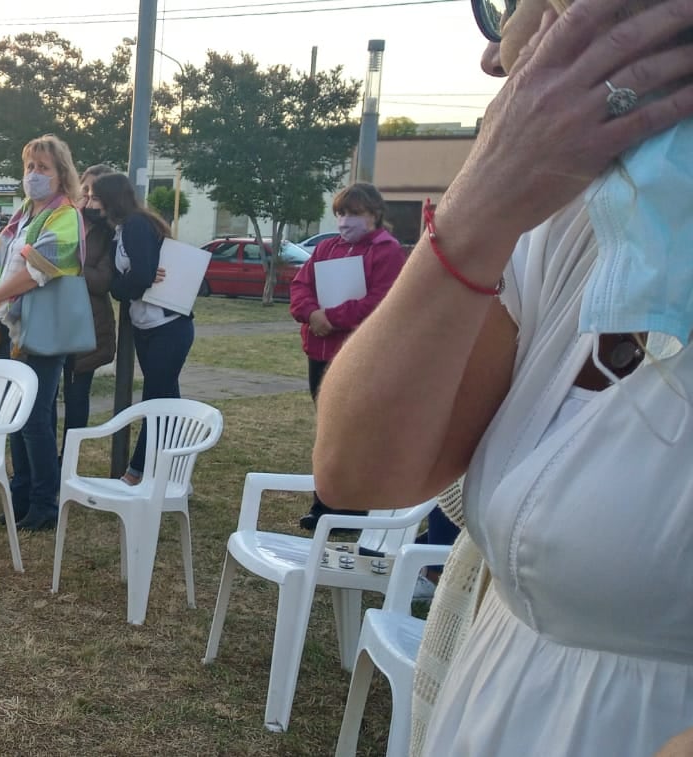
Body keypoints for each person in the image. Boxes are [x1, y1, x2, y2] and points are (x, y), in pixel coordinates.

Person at [311, 0, 693, 754]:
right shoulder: (575, 217)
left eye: (514, 6)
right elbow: (359, 469)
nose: (495, 56)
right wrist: (481, 199)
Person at [0, 134, 84, 531]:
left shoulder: (65, 215)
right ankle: (19, 499)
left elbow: (37, 270)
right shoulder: (21, 216)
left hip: (40, 331)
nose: (34, 175)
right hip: (10, 328)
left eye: (43, 168)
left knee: (35, 419)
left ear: (61, 174)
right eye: (29, 167)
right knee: (14, 418)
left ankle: (43, 506)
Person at [288, 182, 406, 529]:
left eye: (353, 214)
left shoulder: (387, 251)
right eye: (340, 213)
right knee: (327, 429)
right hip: (320, 350)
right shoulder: (326, 248)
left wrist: (333, 318)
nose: (344, 221)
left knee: (353, 430)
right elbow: (300, 287)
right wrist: (312, 315)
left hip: (357, 354)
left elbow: (381, 302)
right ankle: (323, 505)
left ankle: (352, 510)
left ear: (374, 214)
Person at [92, 172, 195, 485]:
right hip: (146, 326)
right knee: (166, 398)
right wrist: (128, 283)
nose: (92, 204)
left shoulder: (137, 225)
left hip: (169, 325)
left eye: (95, 197)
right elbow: (132, 279)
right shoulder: (120, 231)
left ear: (110, 199)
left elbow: (138, 279)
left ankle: (138, 471)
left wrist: (123, 286)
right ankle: (175, 473)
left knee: (156, 399)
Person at [63, 164, 119, 451]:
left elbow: (102, 281)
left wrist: (67, 265)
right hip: (54, 320)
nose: (87, 197)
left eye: (95, 193)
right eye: (85, 189)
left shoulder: (107, 234)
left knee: (77, 392)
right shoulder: (62, 220)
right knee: (45, 393)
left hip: (88, 322)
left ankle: (68, 456)